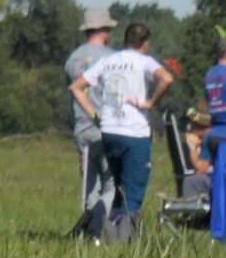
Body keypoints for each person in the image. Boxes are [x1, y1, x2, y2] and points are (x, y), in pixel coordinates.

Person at [70, 22, 173, 228]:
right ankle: (124, 237)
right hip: (134, 132)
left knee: (119, 187)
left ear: (125, 41)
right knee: (133, 190)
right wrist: (152, 102)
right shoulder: (144, 61)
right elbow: (167, 79)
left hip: (109, 130)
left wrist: (94, 116)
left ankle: (113, 229)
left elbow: (76, 87)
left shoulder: (108, 61)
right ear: (145, 44)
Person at [64, 7, 117, 230]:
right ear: (105, 30)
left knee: (89, 185)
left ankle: (88, 229)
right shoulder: (112, 58)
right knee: (112, 184)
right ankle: (102, 226)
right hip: (105, 126)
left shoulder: (73, 58)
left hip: (82, 129)